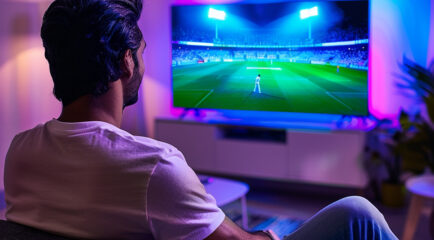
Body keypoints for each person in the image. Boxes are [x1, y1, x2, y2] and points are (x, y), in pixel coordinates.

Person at [4, 0, 398, 239]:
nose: (143, 58)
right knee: (357, 213)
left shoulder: (18, 152)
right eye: (141, 50)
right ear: (126, 62)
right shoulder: (155, 167)